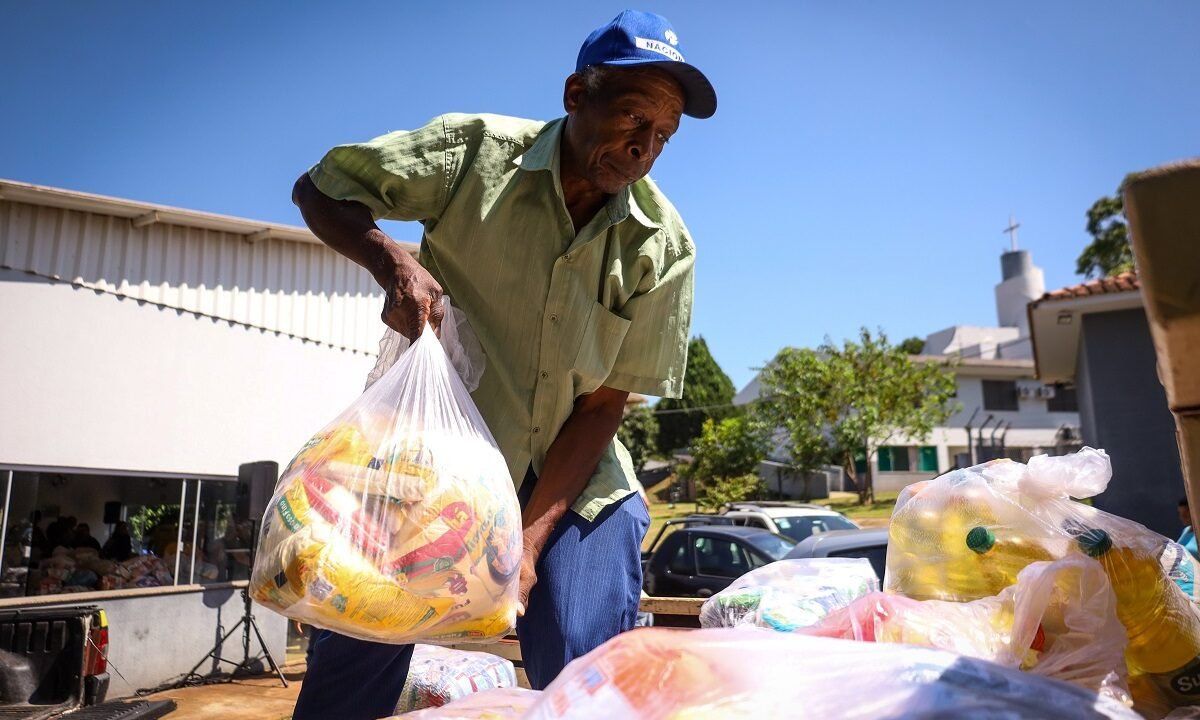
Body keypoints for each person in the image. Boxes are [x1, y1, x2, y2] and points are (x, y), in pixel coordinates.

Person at [289, 10, 712, 719]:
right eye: (632, 116)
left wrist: (526, 543)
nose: (643, 148)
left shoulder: (662, 246)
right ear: (577, 94)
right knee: (357, 654)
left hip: (573, 482)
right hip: (430, 469)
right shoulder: (474, 155)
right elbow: (319, 189)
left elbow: (604, 407)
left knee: (581, 658)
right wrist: (390, 258)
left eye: (662, 135)